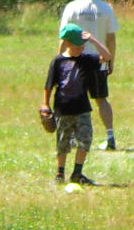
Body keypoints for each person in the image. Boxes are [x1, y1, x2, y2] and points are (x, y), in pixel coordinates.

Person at [41, 24, 114, 185]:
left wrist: (93, 40)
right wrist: (45, 104)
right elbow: (49, 85)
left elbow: (107, 56)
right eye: (77, 46)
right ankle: (60, 173)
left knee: (85, 139)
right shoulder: (58, 62)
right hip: (63, 108)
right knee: (63, 142)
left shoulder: (86, 59)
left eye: (82, 46)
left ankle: (77, 173)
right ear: (67, 43)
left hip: (82, 108)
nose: (80, 49)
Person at [60, 0, 121, 150]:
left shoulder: (72, 7)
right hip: (98, 61)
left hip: (75, 61)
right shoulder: (106, 8)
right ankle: (110, 136)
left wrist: (61, 60)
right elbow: (111, 38)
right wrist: (111, 60)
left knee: (73, 100)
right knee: (101, 99)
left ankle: (72, 138)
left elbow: (64, 37)